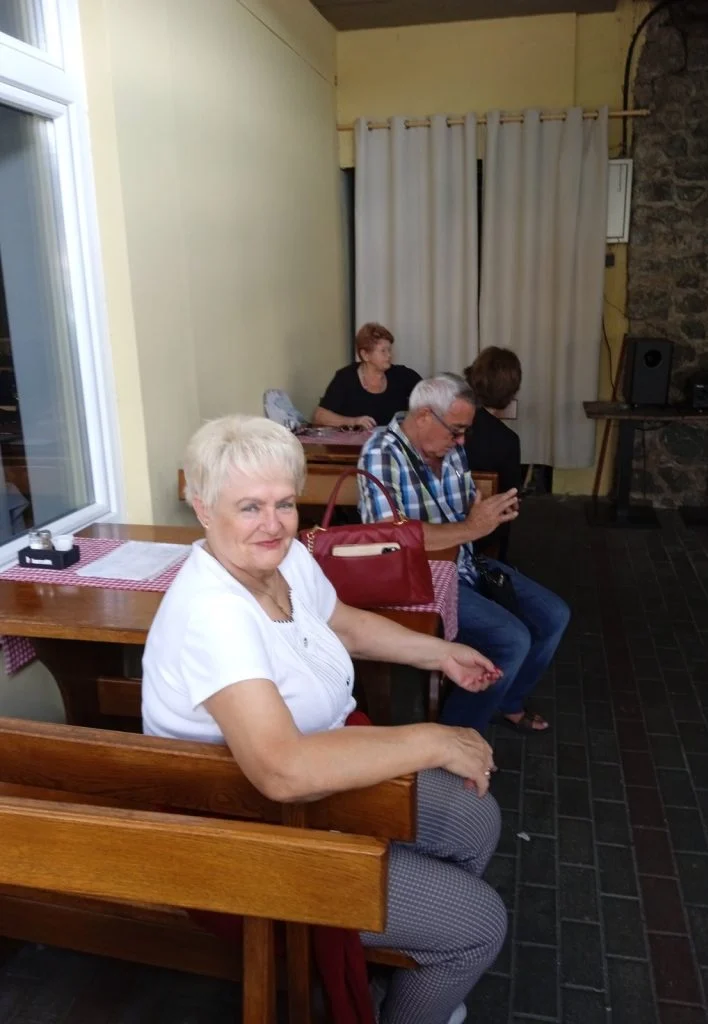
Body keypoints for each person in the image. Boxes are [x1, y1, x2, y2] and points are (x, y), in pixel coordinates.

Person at [142, 414, 507, 1024]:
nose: (273, 523)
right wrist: (430, 738)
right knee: (479, 925)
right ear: (203, 508)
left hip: (318, 776)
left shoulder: (282, 560)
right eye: (249, 507)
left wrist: (440, 653)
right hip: (245, 830)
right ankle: (427, 965)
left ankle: (409, 954)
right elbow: (282, 771)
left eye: (284, 504)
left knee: (475, 818)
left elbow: (345, 624)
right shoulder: (214, 614)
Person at [357, 375, 570, 735]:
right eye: (456, 431)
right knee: (511, 640)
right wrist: (472, 528)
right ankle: (455, 737)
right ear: (424, 416)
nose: (461, 441)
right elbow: (392, 538)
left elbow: (466, 511)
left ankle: (506, 699)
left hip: (466, 564)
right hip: (418, 579)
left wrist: (489, 513)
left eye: (463, 432)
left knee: (554, 616)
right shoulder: (381, 452)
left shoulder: (449, 450)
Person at [462, 347, 523, 559]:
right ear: (511, 391)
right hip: (485, 536)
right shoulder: (508, 441)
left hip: (441, 522)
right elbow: (511, 500)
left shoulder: (450, 422)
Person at [314, 323, 421, 429]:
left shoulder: (402, 375)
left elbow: (428, 395)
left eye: (389, 350)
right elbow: (320, 416)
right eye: (383, 351)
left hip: (392, 439)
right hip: (355, 440)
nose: (389, 355)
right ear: (365, 355)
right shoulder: (346, 378)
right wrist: (353, 421)